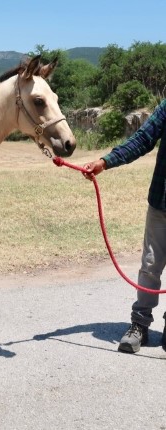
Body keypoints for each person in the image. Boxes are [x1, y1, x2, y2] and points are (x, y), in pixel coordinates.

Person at [83, 99, 166, 354]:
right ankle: (140, 325)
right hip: (162, 202)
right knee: (150, 265)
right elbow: (142, 139)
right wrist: (106, 161)